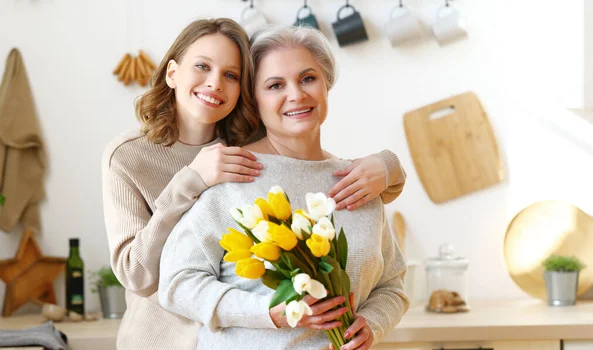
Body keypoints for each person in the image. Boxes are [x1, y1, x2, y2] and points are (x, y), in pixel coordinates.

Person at [102, 19, 406, 349]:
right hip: (161, 340)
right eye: (275, 85)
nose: (215, 83)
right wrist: (190, 180)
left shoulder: (246, 154)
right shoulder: (180, 168)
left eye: (230, 75)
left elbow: (391, 283)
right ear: (172, 73)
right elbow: (148, 277)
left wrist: (389, 165)